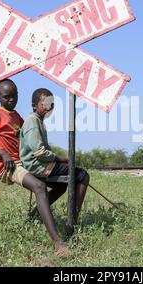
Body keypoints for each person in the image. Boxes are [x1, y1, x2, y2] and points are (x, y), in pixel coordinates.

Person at [0, 79, 70, 257]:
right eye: (7, 97)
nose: (11, 100)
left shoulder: (17, 117)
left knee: (61, 184)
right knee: (39, 187)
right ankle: (58, 244)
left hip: (22, 163)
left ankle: (36, 213)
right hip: (7, 166)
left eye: (14, 96)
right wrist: (3, 154)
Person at [20, 88, 90, 225]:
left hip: (39, 164)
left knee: (61, 186)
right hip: (37, 166)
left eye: (51, 105)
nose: (49, 108)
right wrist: (61, 159)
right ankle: (73, 221)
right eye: (44, 105)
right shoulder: (33, 122)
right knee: (83, 175)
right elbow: (39, 152)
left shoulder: (38, 121)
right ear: (34, 106)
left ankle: (36, 214)